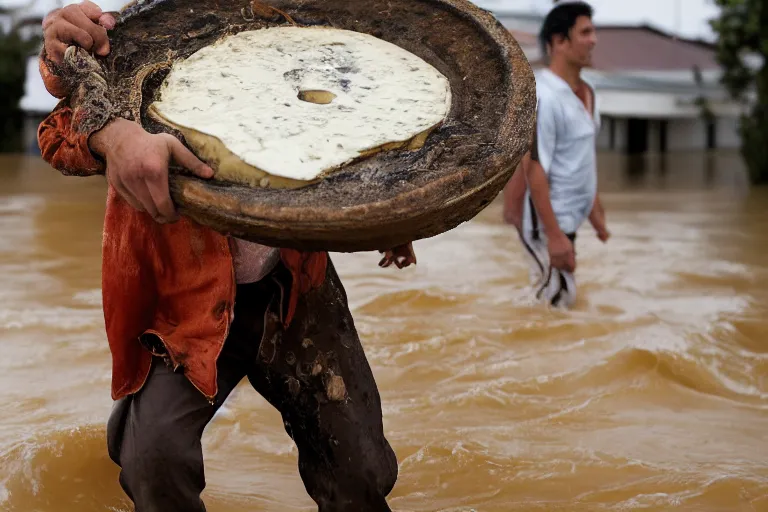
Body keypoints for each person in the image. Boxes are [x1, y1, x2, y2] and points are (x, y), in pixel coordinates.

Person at [37, 2, 418, 510]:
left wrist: (393, 215)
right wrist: (113, 136)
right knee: (155, 464)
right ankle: (136, 424)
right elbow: (58, 128)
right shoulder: (143, 48)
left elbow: (353, 126)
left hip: (294, 285)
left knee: (360, 472)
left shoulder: (296, 35)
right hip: (181, 302)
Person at [503, 1, 609, 308]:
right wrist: (554, 236)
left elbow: (581, 160)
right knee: (558, 304)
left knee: (553, 302)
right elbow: (534, 166)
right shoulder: (545, 97)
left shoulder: (587, 92)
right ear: (559, 42)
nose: (594, 40)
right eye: (585, 32)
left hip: (567, 220)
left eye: (593, 31)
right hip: (546, 223)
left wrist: (596, 216)